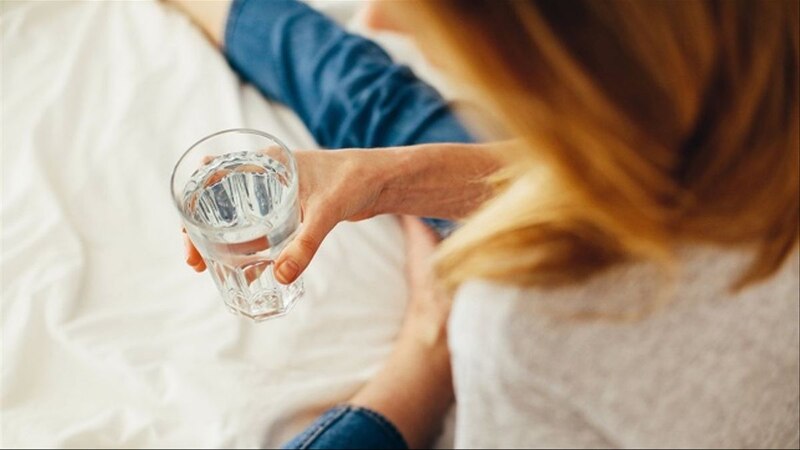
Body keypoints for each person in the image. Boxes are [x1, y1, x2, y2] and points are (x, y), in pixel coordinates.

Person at [170, 0, 800, 448]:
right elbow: (659, 168)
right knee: (379, 111)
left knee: (376, 102)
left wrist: (430, 350)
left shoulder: (526, 326)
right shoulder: (758, 85)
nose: (378, 15)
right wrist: (389, 177)